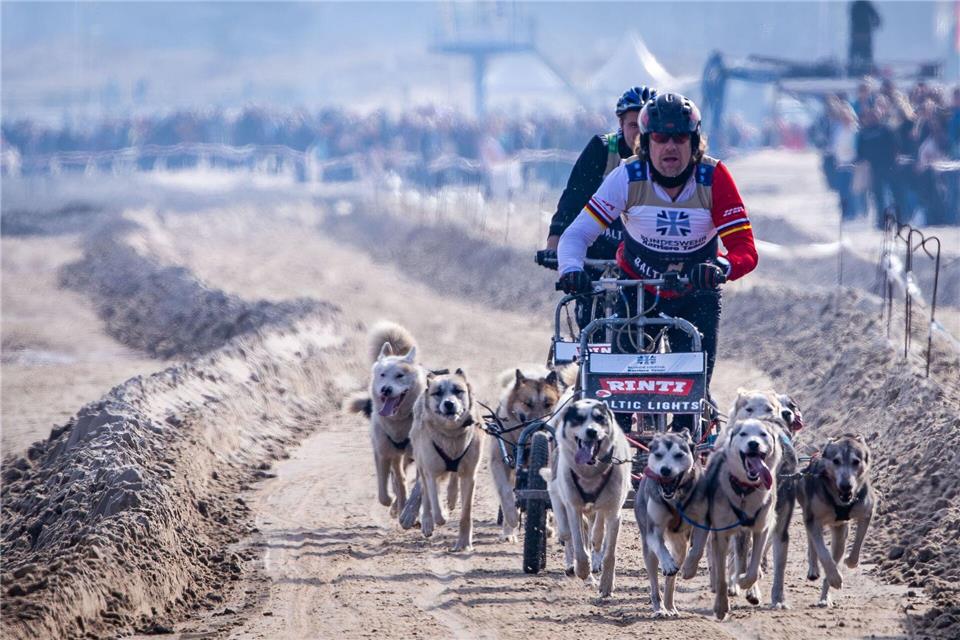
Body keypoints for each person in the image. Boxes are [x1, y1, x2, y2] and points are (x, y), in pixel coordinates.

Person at [556, 93, 758, 430]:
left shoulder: (714, 177)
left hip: (696, 293)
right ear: (645, 142)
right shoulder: (627, 176)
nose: (670, 148)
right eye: (661, 139)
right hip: (636, 290)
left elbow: (745, 249)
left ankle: (686, 442)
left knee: (691, 397)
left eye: (680, 138)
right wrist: (572, 269)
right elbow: (576, 235)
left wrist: (720, 267)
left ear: (695, 143)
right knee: (616, 395)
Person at [542, 85, 656, 330]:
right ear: (620, 123)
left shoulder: (661, 156)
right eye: (632, 126)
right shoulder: (603, 149)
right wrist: (555, 242)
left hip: (638, 250)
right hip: (598, 244)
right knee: (588, 314)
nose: (639, 134)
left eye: (645, 126)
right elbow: (573, 197)